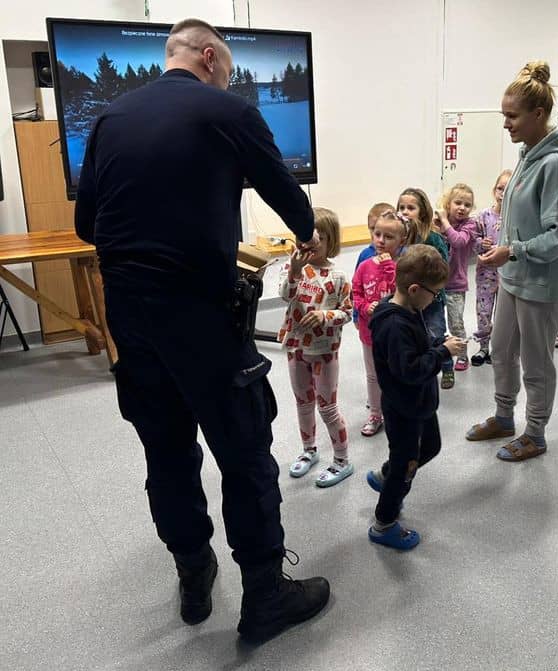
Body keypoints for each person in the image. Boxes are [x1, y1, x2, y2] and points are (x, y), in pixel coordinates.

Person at [73, 19, 329, 644]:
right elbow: (290, 200)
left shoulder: (107, 119)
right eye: (229, 73)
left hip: (129, 317)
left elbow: (85, 225)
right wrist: (308, 235)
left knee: (166, 451)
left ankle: (194, 574)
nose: (228, 82)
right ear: (210, 57)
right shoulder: (229, 112)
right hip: (201, 315)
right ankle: (265, 595)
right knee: (244, 452)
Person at [465, 60, 558, 461]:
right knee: (501, 350)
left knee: (536, 363)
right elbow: (519, 217)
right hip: (514, 276)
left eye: (512, 116)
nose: (506, 124)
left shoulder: (556, 165)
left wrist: (513, 250)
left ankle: (535, 433)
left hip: (542, 282)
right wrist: (502, 247)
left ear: (538, 114)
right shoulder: (528, 154)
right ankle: (503, 417)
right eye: (504, 115)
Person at [366, 245, 464, 550]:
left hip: (421, 403)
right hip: (404, 408)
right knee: (405, 467)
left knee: (431, 446)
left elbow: (418, 345)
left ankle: (386, 475)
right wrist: (441, 353)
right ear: (414, 289)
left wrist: (436, 343)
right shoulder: (394, 324)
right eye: (435, 293)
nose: (436, 299)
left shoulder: (410, 309)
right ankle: (384, 523)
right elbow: (410, 370)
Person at [278, 208, 354, 487]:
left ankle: (342, 460)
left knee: (327, 408)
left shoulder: (338, 277)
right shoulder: (293, 267)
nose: (308, 243)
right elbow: (285, 296)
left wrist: (325, 316)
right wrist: (294, 272)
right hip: (296, 347)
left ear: (329, 240)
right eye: (304, 236)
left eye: (317, 238)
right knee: (303, 403)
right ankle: (309, 450)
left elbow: (348, 312)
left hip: (324, 352)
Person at [351, 210, 409, 436]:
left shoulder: (403, 266)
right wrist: (364, 308)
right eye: (377, 234)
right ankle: (375, 414)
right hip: (370, 333)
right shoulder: (364, 265)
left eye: (389, 236)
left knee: (396, 373)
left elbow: (402, 291)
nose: (381, 241)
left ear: (401, 240)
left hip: (395, 334)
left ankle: (396, 410)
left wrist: (388, 267)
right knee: (373, 376)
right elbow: (356, 293)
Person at [397, 188, 454, 388]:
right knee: (416, 335)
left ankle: (447, 366)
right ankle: (424, 366)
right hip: (410, 299)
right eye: (401, 207)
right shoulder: (400, 238)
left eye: (410, 208)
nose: (405, 211)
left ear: (422, 211)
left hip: (432, 298)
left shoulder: (432, 237)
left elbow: (443, 267)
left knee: (436, 332)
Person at [436, 183, 478, 372]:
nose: (462, 208)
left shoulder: (469, 225)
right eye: (458, 203)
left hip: (456, 284)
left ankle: (462, 355)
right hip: (435, 285)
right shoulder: (439, 223)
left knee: (456, 323)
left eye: (467, 205)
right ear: (448, 204)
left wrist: (445, 222)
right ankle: (439, 352)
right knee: (437, 324)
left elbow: (459, 241)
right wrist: (440, 223)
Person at [471, 170, 511, 366]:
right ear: (494, 190)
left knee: (503, 313)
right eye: (500, 188)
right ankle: (483, 346)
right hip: (486, 272)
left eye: (507, 189)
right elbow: (474, 242)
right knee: (484, 310)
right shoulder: (484, 216)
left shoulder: (515, 218)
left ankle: (498, 348)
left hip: (508, 273)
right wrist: (481, 244)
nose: (502, 193)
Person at [353, 202, 394, 327]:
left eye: (387, 233)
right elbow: (356, 288)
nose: (380, 238)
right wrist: (356, 315)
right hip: (368, 320)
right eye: (374, 229)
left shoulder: (400, 256)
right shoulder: (365, 255)